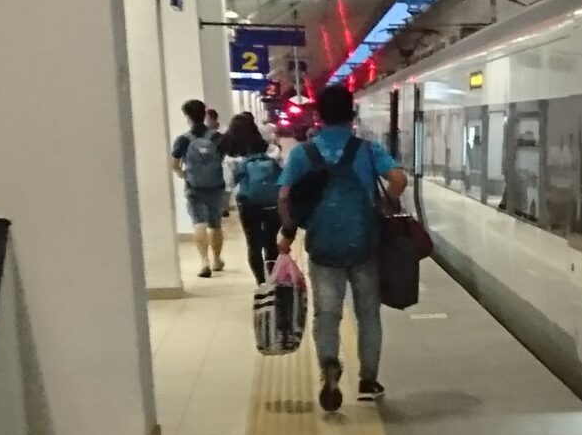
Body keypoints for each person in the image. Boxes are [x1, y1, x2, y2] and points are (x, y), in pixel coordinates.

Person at [279, 83, 407, 412]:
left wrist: (289, 233)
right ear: (352, 115)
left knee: (327, 314)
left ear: (318, 116)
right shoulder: (367, 149)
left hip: (322, 246)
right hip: (364, 243)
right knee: (367, 314)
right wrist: (385, 203)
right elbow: (398, 179)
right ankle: (368, 382)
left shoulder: (302, 153)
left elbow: (284, 198)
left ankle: (329, 368)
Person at [170, 99, 229, 278]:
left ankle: (204, 262)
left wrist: (183, 174)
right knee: (215, 224)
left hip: (194, 187)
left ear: (187, 116)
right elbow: (224, 157)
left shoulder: (183, 140)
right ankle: (217, 260)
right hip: (216, 186)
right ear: (204, 114)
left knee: (199, 223)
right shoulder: (217, 137)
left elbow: (174, 163)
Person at [223, 111, 283, 280]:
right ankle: (274, 280)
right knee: (270, 242)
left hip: (248, 204)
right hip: (272, 202)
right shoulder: (272, 150)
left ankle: (261, 284)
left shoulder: (233, 157)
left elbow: (229, 183)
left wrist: (225, 205)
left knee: (253, 244)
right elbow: (283, 172)